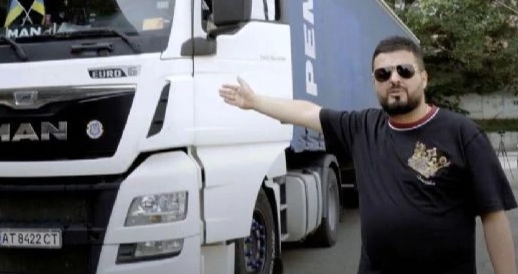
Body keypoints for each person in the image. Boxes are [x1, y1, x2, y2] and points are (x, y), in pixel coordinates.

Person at [218, 35, 517, 274]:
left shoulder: (463, 134)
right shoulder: (363, 127)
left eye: (405, 70)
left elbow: (493, 215)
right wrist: (254, 101)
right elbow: (307, 112)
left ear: (424, 78)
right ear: (375, 83)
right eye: (383, 74)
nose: (394, 79)